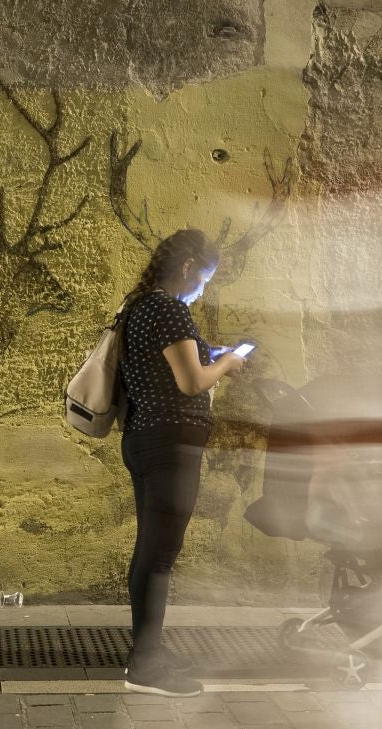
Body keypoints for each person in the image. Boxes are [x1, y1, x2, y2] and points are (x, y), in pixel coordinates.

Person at [117, 228, 247, 698]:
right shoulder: (169, 308)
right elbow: (192, 383)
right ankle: (145, 667)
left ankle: (146, 653)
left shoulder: (140, 307)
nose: (204, 289)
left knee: (151, 552)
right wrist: (228, 364)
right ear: (189, 266)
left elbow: (168, 369)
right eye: (206, 279)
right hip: (170, 442)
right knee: (159, 556)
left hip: (145, 438)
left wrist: (207, 353)